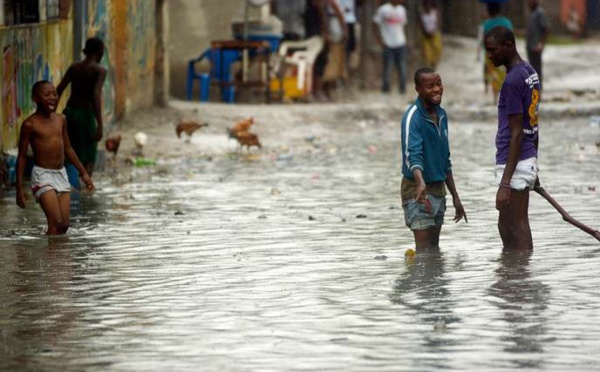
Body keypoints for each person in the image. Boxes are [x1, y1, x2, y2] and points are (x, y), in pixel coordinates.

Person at [484, 26, 541, 250]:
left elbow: (517, 133)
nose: (490, 56)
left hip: (515, 160)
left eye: (492, 50)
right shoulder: (529, 72)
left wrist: (505, 183)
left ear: (508, 46)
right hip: (524, 159)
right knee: (507, 224)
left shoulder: (512, 82)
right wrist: (534, 164)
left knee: (515, 225)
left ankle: (522, 274)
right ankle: (512, 276)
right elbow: (534, 124)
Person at [400, 67, 467, 251]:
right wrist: (420, 182)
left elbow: (445, 160)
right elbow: (411, 155)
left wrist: (456, 197)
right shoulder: (412, 116)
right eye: (430, 86)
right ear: (418, 89)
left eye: (439, 84)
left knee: (434, 253)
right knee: (423, 254)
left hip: (439, 190)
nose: (437, 89)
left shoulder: (442, 115)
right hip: (417, 191)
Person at [16, 81, 95, 235]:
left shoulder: (61, 119)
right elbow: (22, 157)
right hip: (42, 175)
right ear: (35, 98)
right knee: (55, 222)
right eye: (47, 95)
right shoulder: (30, 124)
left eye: (55, 94)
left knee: (64, 225)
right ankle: (53, 258)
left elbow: (68, 148)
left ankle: (58, 256)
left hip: (61, 174)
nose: (52, 97)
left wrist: (84, 174)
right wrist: (19, 188)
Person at [57, 37, 107, 178]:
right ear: (100, 52)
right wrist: (100, 125)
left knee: (71, 151)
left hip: (69, 113)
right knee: (89, 155)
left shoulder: (74, 67)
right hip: (85, 116)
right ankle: (87, 189)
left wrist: (51, 115)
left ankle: (70, 185)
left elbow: (59, 89)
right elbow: (95, 96)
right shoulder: (99, 71)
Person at [477, 3, 513, 103]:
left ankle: (494, 98)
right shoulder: (507, 22)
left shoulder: (487, 24)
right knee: (504, 74)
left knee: (494, 76)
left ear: (489, 10)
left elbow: (484, 39)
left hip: (492, 54)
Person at [373, 0, 408, 94]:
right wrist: (379, 40)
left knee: (402, 67)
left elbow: (403, 26)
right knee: (387, 68)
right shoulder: (383, 9)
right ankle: (385, 89)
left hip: (400, 43)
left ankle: (402, 89)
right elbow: (375, 24)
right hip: (388, 43)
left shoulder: (402, 10)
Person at [321, 0, 348, 100]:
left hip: (334, 31)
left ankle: (329, 90)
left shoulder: (333, 3)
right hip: (331, 30)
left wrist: (344, 30)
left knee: (333, 61)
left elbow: (339, 15)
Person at [526, 0, 549, 88]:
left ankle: (538, 92)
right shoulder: (532, 14)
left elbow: (546, 29)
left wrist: (541, 43)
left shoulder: (539, 14)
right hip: (530, 46)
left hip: (536, 47)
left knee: (536, 70)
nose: (528, 3)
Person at [419, 0, 442, 68]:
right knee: (427, 53)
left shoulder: (434, 13)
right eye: (426, 6)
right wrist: (426, 32)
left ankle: (434, 62)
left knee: (437, 49)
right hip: (426, 36)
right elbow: (421, 25)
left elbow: (438, 23)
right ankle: (428, 65)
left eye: (429, 5)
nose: (428, 7)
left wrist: (434, 31)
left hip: (435, 34)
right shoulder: (422, 15)